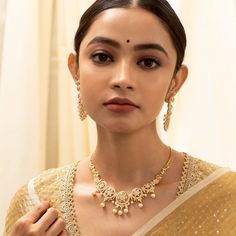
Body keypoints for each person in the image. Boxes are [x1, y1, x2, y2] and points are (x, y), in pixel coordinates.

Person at [3, 0, 236, 235]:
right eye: (102, 57)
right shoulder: (35, 205)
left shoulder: (226, 200)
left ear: (175, 82)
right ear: (75, 70)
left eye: (148, 62)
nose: (123, 79)